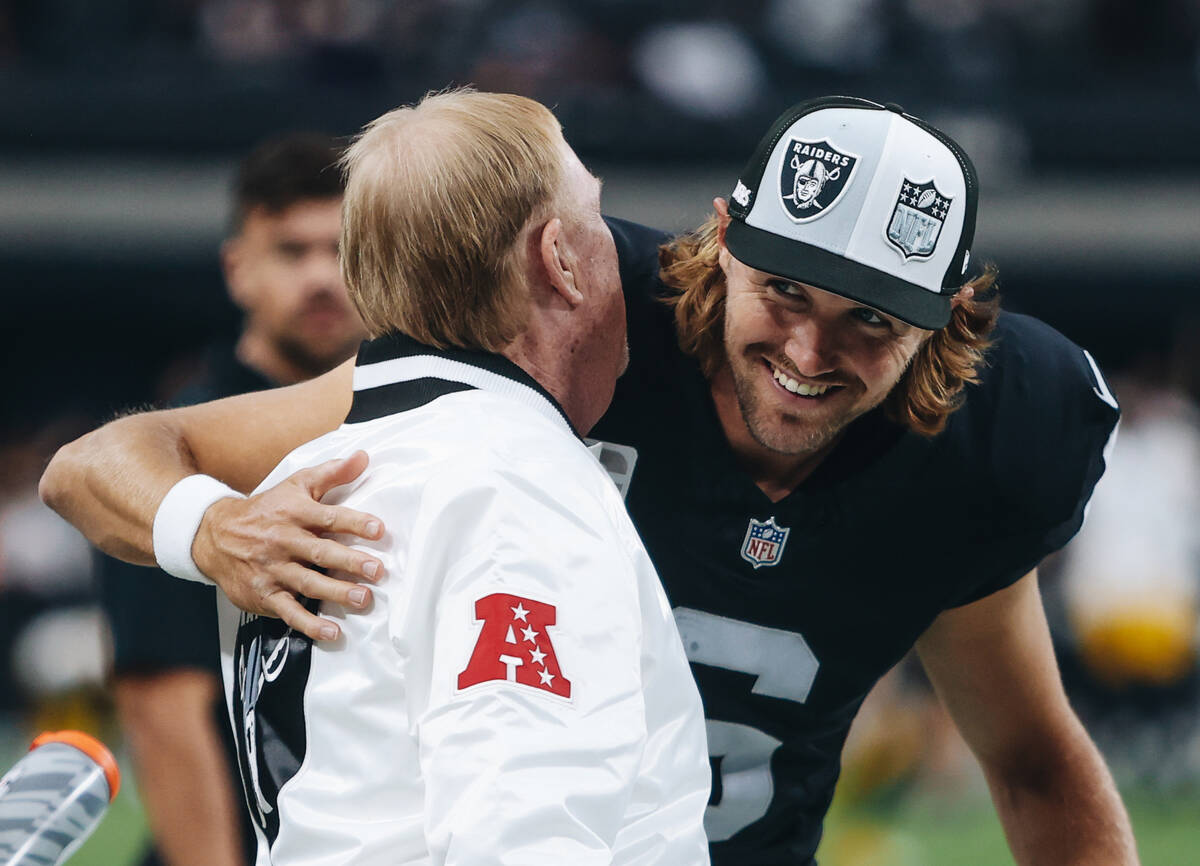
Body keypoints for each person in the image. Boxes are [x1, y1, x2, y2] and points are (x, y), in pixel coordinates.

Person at [43, 95, 1137, 865]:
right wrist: (217, 526)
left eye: (870, 321)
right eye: (787, 294)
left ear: (943, 329)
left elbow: (1036, 762)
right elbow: (107, 463)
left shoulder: (984, 443)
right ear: (723, 245)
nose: (810, 352)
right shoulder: (569, 341)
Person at [141, 90, 713, 865]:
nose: (622, 249)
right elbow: (521, 841)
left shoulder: (302, 475)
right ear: (561, 260)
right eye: (597, 219)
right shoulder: (516, 484)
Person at [94, 132, 365, 866]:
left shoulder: (402, 417)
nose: (320, 277)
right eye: (291, 250)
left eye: (342, 250)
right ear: (236, 268)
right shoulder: (179, 444)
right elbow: (164, 707)